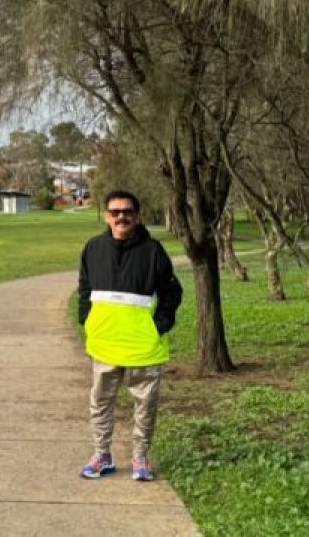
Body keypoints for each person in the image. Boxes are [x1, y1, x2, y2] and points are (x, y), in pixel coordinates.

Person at [77, 190, 182, 482]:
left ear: (137, 216)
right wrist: (87, 320)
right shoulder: (93, 248)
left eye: (127, 212)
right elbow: (84, 288)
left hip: (143, 347)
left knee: (145, 406)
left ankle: (140, 458)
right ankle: (102, 456)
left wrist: (158, 325)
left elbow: (172, 291)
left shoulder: (153, 251)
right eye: (114, 212)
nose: (121, 217)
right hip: (105, 343)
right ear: (106, 216)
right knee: (100, 403)